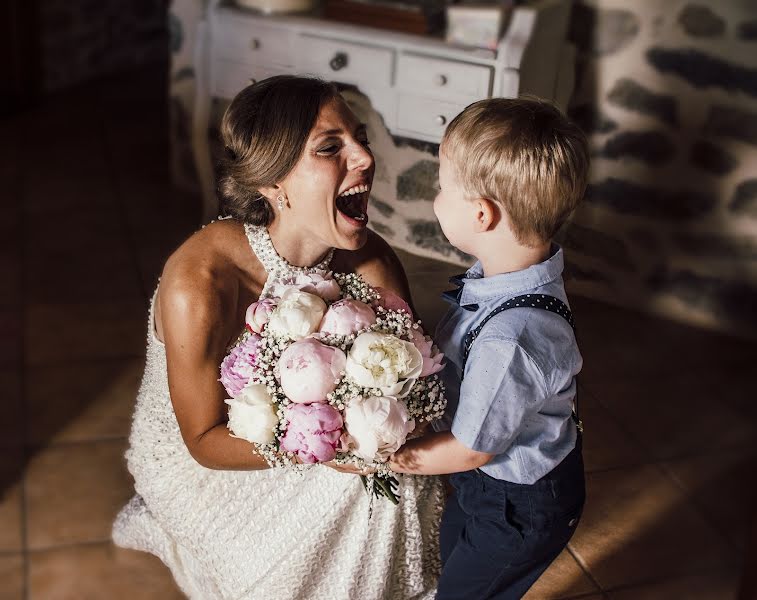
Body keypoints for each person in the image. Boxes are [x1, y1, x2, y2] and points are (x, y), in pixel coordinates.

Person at [113, 75, 443, 600]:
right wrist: (319, 446)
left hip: (315, 436)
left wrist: (381, 427)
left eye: (361, 139)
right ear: (272, 184)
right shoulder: (200, 283)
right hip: (205, 458)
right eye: (331, 148)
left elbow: (414, 379)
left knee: (393, 474)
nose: (364, 158)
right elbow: (201, 442)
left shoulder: (374, 263)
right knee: (361, 490)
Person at [389, 97, 590, 600]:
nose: (435, 197)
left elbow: (471, 449)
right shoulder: (507, 278)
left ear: (481, 214)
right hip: (491, 491)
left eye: (441, 187)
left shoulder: (510, 338)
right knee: (454, 552)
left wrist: (387, 456)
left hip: (519, 507)